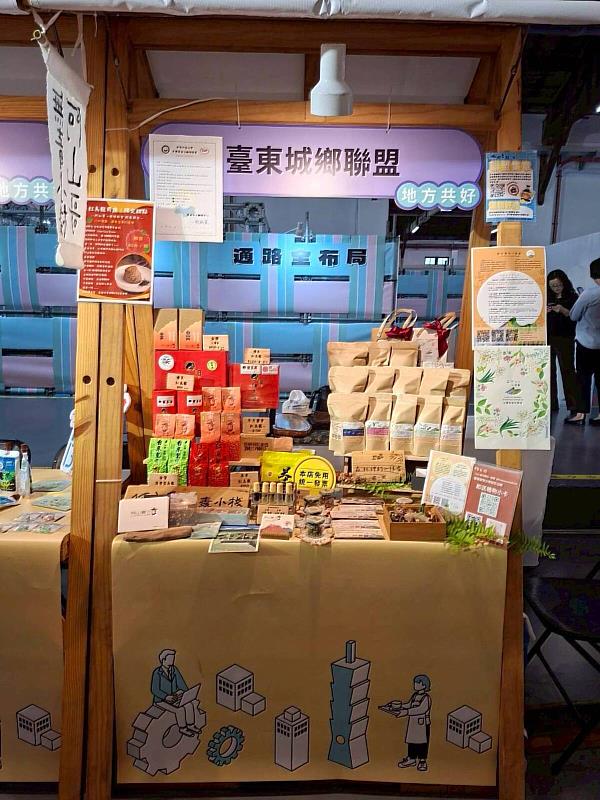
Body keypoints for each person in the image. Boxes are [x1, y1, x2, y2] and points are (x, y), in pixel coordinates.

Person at [567, 258, 600, 425]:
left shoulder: (589, 294)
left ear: (593, 275)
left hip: (586, 342)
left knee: (583, 379)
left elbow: (574, 315)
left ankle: (580, 415)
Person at [546, 270, 579, 417]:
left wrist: (563, 310)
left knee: (568, 371)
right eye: (553, 286)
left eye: (558, 285)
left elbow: (575, 316)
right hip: (548, 338)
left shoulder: (572, 297)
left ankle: (574, 406)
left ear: (564, 283)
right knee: (549, 371)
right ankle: (551, 404)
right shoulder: (547, 297)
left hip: (565, 338)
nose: (556, 288)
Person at [150, 649, 200, 737]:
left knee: (189, 705)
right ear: (163, 660)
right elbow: (155, 689)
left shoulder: (174, 669)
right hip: (161, 700)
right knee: (180, 710)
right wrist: (165, 697)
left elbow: (182, 684)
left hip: (174, 697)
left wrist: (184, 692)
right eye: (170, 658)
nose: (173, 660)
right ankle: (183, 728)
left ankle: (191, 726)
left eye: (173, 658)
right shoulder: (157, 673)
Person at [396, 674, 432, 772]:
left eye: (417, 683)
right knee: (412, 741)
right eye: (415, 683)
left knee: (422, 743)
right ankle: (411, 758)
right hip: (413, 723)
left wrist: (406, 712)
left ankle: (422, 761)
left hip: (422, 724)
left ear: (424, 685)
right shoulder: (415, 695)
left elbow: (421, 709)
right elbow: (409, 704)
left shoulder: (426, 698)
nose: (415, 685)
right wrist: (400, 706)